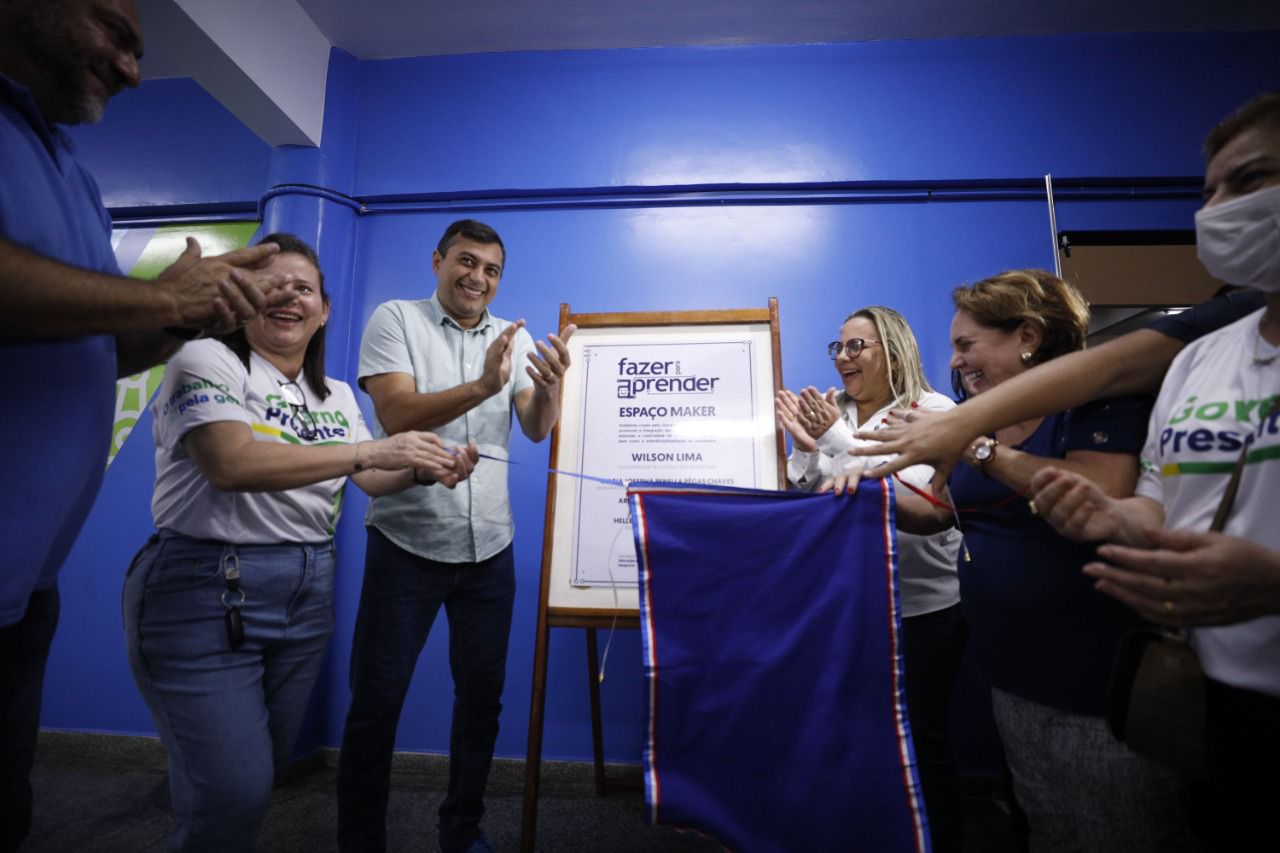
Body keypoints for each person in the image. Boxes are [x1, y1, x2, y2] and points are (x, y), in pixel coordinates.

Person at [0, 2, 286, 848]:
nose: (133, 69)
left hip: (23, 592)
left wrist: (178, 317)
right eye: (118, 33)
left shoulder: (69, 170)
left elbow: (104, 345)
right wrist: (168, 299)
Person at [122, 234, 478, 853]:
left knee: (255, 780)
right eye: (269, 285)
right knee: (233, 790)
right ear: (240, 299)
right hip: (206, 591)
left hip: (305, 594)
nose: (288, 297)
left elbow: (368, 479)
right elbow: (231, 464)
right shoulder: (204, 359)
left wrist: (423, 466)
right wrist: (370, 448)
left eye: (303, 288)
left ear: (325, 309)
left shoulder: (335, 394)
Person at [1027, 91, 1280, 851]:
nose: (1219, 209)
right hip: (1215, 700)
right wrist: (1108, 518)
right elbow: (1158, 507)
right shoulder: (1203, 360)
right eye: (1209, 192)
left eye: (1250, 180)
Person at [872, 270, 1193, 852]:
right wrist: (864, 501)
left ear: (1028, 335)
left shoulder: (1098, 402)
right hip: (1013, 675)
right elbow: (944, 513)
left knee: (1120, 830)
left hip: (1096, 679)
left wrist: (973, 443)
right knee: (1048, 824)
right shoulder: (979, 412)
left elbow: (1099, 495)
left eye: (967, 345)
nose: (955, 361)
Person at [337, 219, 576, 853]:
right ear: (439, 260)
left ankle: (461, 832)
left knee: (481, 704)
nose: (478, 278)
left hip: (489, 551)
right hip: (406, 546)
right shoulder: (396, 320)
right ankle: (361, 842)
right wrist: (479, 387)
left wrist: (550, 389)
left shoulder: (509, 336)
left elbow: (532, 427)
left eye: (492, 270)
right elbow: (393, 414)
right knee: (376, 705)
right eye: (466, 263)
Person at [777, 306, 966, 852]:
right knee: (854, 736)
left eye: (856, 346)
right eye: (837, 348)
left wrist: (835, 440)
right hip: (849, 605)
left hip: (923, 608)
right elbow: (810, 504)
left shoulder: (932, 411)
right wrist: (809, 454)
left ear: (894, 349)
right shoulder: (830, 412)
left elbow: (918, 502)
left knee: (920, 739)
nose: (842, 359)